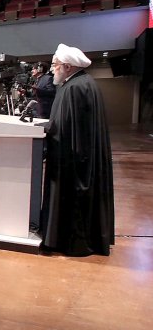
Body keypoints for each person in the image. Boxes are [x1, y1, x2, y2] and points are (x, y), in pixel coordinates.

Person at [39, 43, 114, 256]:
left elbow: (62, 129)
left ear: (67, 67)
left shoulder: (72, 89)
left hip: (72, 163)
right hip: (84, 158)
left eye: (55, 66)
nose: (52, 70)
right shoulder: (85, 83)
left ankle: (68, 241)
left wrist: (44, 132)